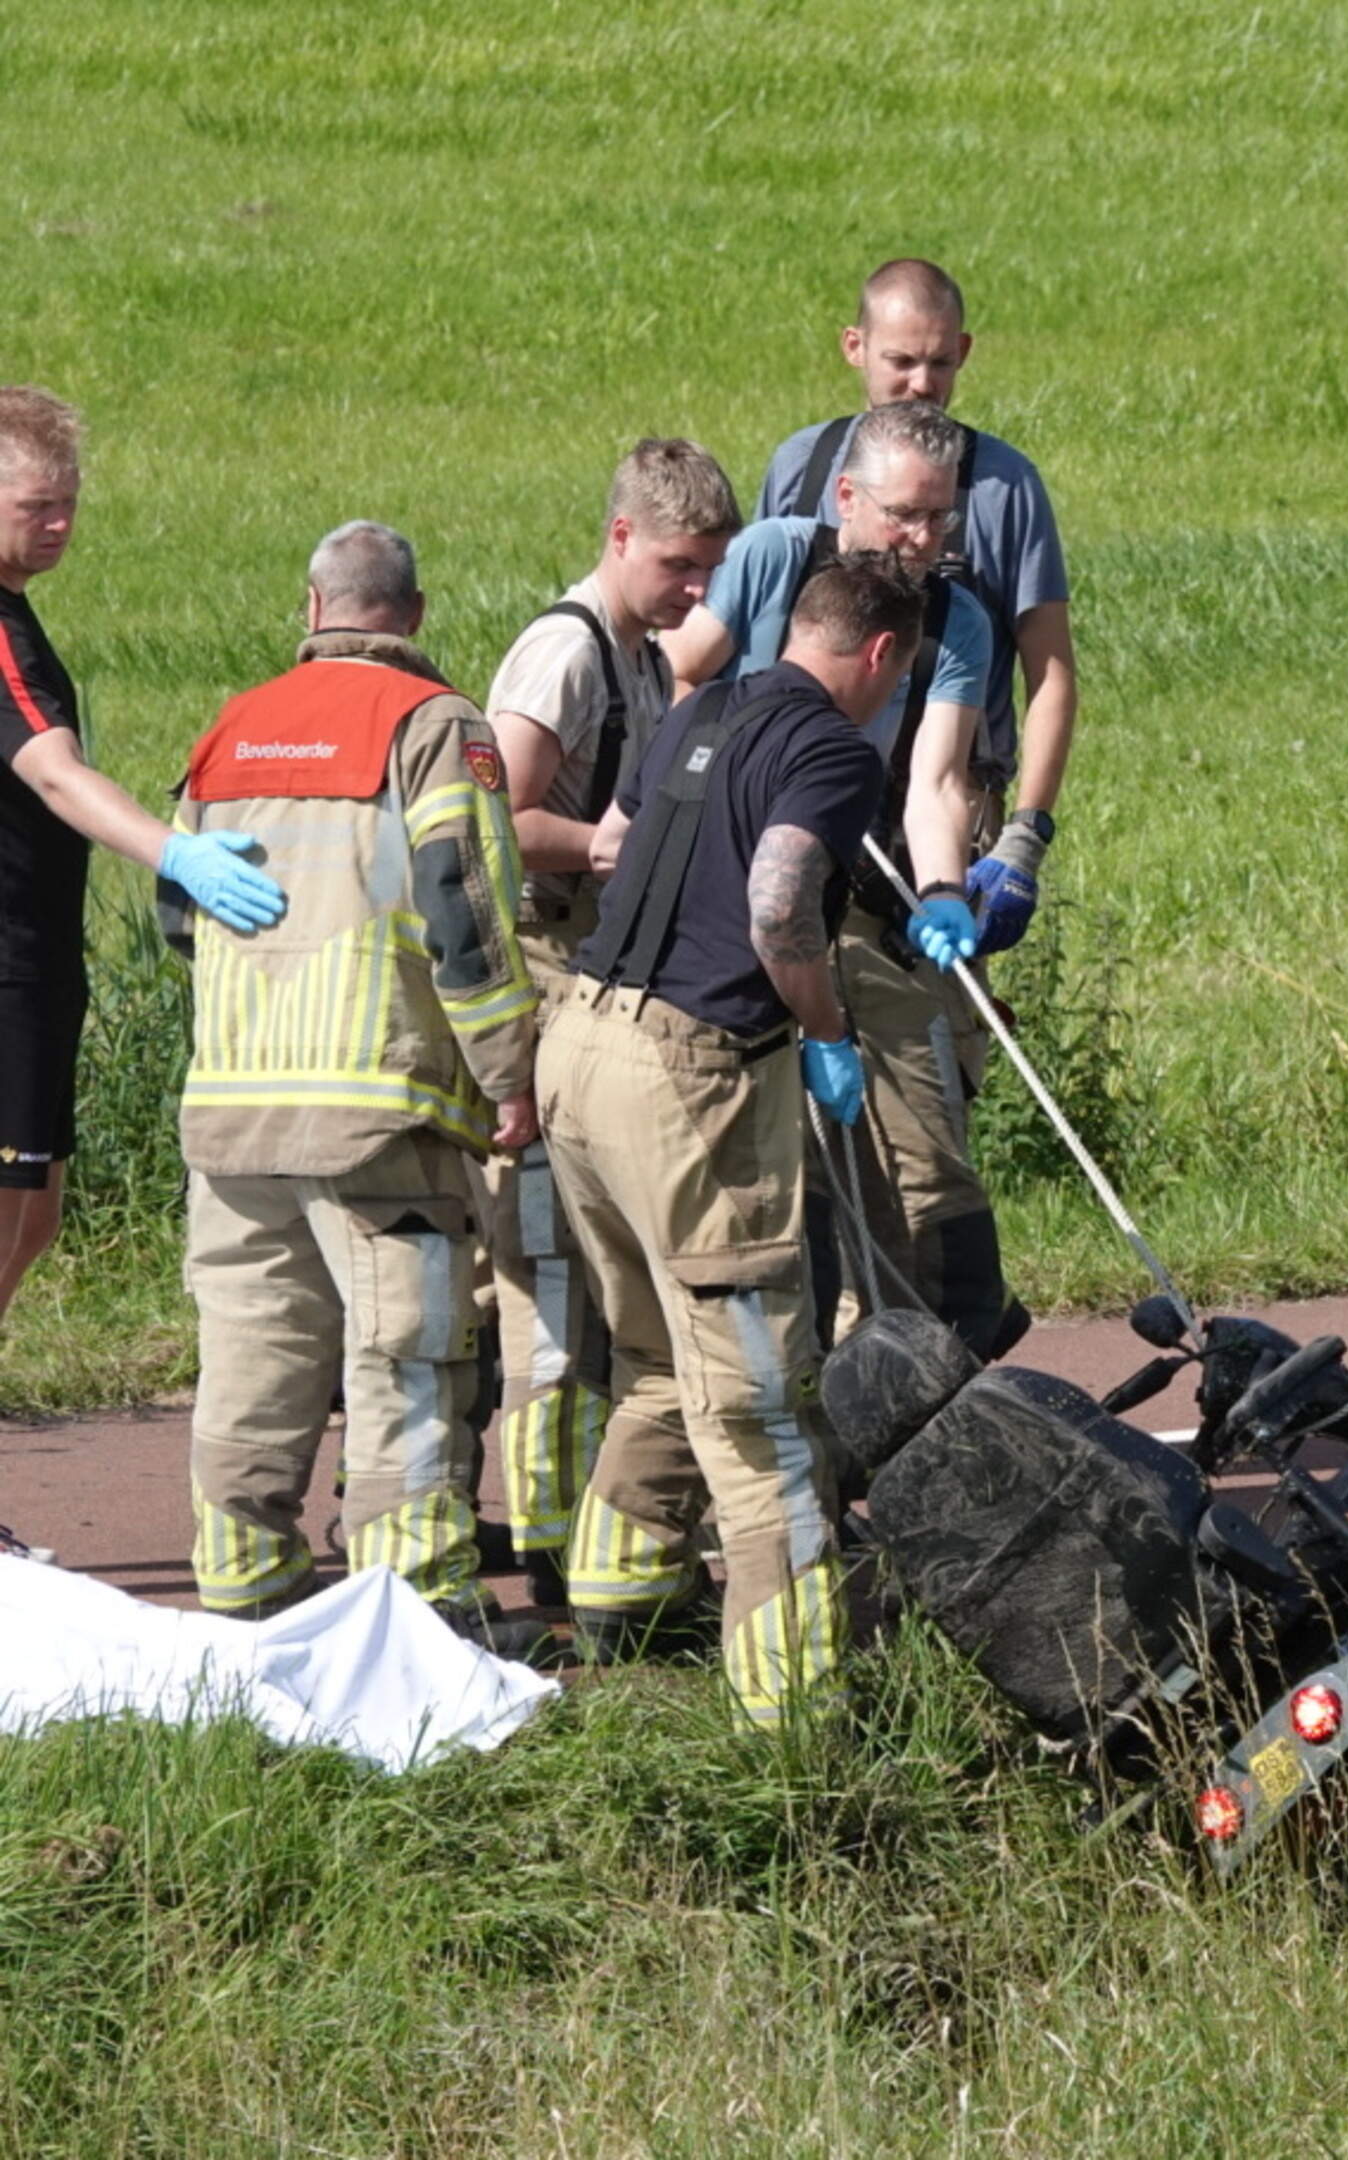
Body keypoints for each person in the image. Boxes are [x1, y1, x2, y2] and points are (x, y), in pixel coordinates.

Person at [544, 556, 919, 1718]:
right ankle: (796, 1706)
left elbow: (614, 843)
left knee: (655, 1358)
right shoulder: (835, 752)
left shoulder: (700, 707)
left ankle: (618, 1598)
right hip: (690, 1081)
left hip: (580, 1047)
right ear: (881, 656)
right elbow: (777, 907)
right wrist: (827, 1025)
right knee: (762, 1409)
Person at [176, 523, 540, 1629]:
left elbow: (178, 915)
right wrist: (509, 1071)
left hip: (232, 1109)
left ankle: (246, 1599)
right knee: (411, 1358)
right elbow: (463, 913)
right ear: (414, 616)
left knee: (253, 1354)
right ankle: (415, 1618)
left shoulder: (229, 729)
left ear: (310, 605)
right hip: (381, 1111)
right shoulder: (433, 727)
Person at [675, 400, 1009, 1353]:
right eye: (904, 513)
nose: (922, 539)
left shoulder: (956, 621)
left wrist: (943, 892)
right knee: (796, 1174)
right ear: (846, 495)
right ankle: (816, 1378)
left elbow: (936, 782)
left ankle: (953, 1360)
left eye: (940, 516)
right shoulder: (775, 556)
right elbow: (686, 681)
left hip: (870, 912)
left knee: (928, 1159)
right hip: (748, 902)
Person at [476, 440, 742, 1603]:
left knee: (584, 1273)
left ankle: (581, 1521)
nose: (697, 592)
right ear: (622, 537)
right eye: (680, 566)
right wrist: (597, 845)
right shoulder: (565, 654)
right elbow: (490, 821)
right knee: (542, 1271)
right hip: (535, 971)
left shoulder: (640, 654)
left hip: (589, 974)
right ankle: (545, 1540)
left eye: (713, 571)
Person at [0, 387, 290, 1335]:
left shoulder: (17, 611)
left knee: (37, 1214)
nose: (60, 525)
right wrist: (179, 855)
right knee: (11, 1206)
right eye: (36, 506)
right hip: (8, 964)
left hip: (42, 955)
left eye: (70, 503)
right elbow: (53, 775)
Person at [755, 258, 1074, 958]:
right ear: (855, 348)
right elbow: (746, 647)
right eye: (900, 361)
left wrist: (1024, 838)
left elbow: (1050, 675)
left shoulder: (1004, 488)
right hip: (800, 796)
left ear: (963, 353)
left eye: (939, 362)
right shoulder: (801, 467)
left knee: (933, 1046)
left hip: (946, 807)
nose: (921, 384)